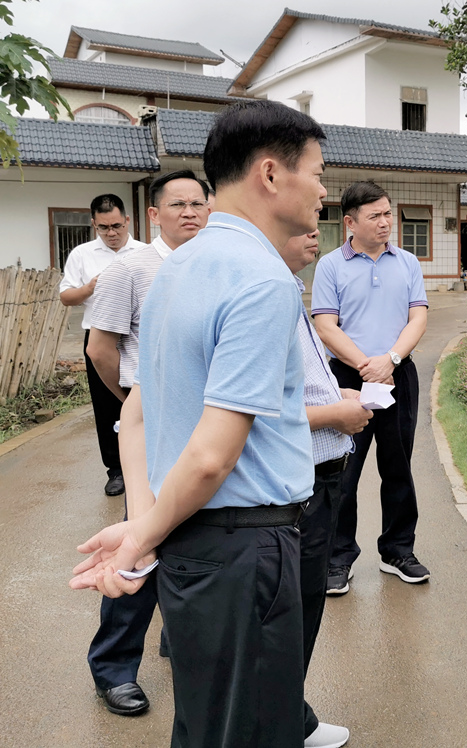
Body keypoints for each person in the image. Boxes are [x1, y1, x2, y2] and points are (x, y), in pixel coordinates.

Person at [70, 100, 328, 748]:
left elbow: (136, 415)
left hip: (194, 546)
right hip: (247, 551)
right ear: (271, 174)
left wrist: (147, 523)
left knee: (209, 725)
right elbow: (214, 454)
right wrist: (136, 543)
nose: (324, 191)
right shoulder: (263, 280)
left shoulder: (175, 268)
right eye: (317, 172)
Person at [83, 170, 211, 717]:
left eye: (198, 203)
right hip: (150, 422)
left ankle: (175, 636)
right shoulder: (130, 268)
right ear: (154, 215)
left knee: (197, 538)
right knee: (142, 543)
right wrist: (137, 400)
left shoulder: (212, 262)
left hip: (206, 424)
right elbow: (100, 348)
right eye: (177, 204)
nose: (190, 212)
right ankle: (112, 668)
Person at [278, 230, 373, 748]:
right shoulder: (267, 290)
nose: (316, 230)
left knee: (305, 601)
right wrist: (335, 413)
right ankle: (284, 720)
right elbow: (255, 408)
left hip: (320, 472)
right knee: (291, 608)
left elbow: (299, 382)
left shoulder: (292, 286)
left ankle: (292, 714)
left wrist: (337, 395)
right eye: (305, 221)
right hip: (300, 479)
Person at [311, 180, 429, 595]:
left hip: (399, 375)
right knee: (343, 472)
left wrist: (390, 360)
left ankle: (398, 550)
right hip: (346, 379)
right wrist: (364, 364)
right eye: (375, 216)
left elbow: (417, 318)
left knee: (398, 467)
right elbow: (326, 325)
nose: (385, 223)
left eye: (387, 214)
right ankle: (338, 558)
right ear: (350, 222)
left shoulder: (407, 262)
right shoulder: (330, 265)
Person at [59, 194, 144, 496]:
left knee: (145, 400)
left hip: (138, 338)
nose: (112, 233)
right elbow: (66, 296)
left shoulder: (144, 253)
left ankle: (151, 463)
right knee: (107, 406)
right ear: (94, 224)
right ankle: (116, 471)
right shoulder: (82, 255)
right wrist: (89, 288)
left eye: (117, 226)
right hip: (100, 337)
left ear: (128, 221)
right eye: (104, 227)